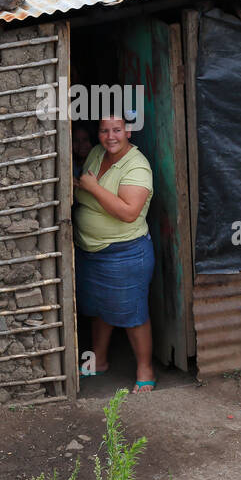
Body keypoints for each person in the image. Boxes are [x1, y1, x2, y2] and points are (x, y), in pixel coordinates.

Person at [73, 113, 156, 393]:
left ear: (128, 132)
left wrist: (93, 188)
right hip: (92, 251)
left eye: (117, 130)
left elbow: (129, 212)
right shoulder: (97, 153)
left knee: (132, 313)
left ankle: (145, 370)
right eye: (104, 130)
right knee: (99, 308)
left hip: (125, 254)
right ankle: (99, 361)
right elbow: (85, 187)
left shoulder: (137, 166)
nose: (110, 136)